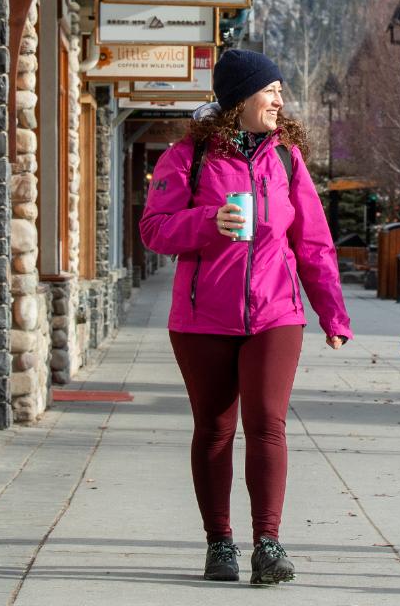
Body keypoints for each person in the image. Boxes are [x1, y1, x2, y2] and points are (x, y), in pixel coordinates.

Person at [141, 48, 352, 586]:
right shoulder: (187, 157)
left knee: (267, 425)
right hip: (201, 317)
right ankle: (219, 544)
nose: (281, 98)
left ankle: (268, 542)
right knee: (214, 429)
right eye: (271, 89)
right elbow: (154, 229)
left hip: (275, 312)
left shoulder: (286, 159)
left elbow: (314, 242)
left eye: (282, 89)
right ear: (240, 99)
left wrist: (332, 313)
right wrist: (209, 221)